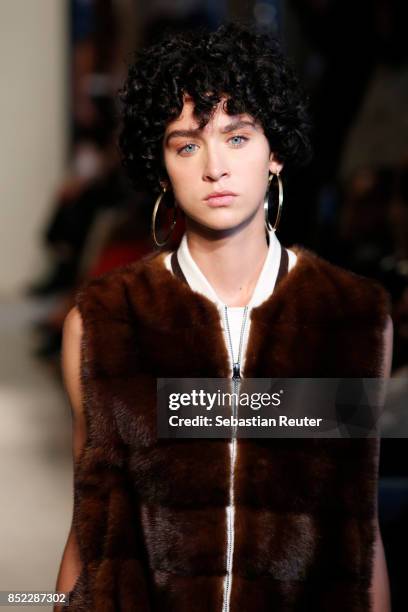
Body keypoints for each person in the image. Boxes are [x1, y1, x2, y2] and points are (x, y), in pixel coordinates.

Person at [55, 22, 393, 611]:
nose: (215, 166)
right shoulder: (105, 324)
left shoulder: (352, 318)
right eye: (187, 144)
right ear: (161, 167)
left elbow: (357, 528)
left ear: (276, 152)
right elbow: (93, 526)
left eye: (237, 137)